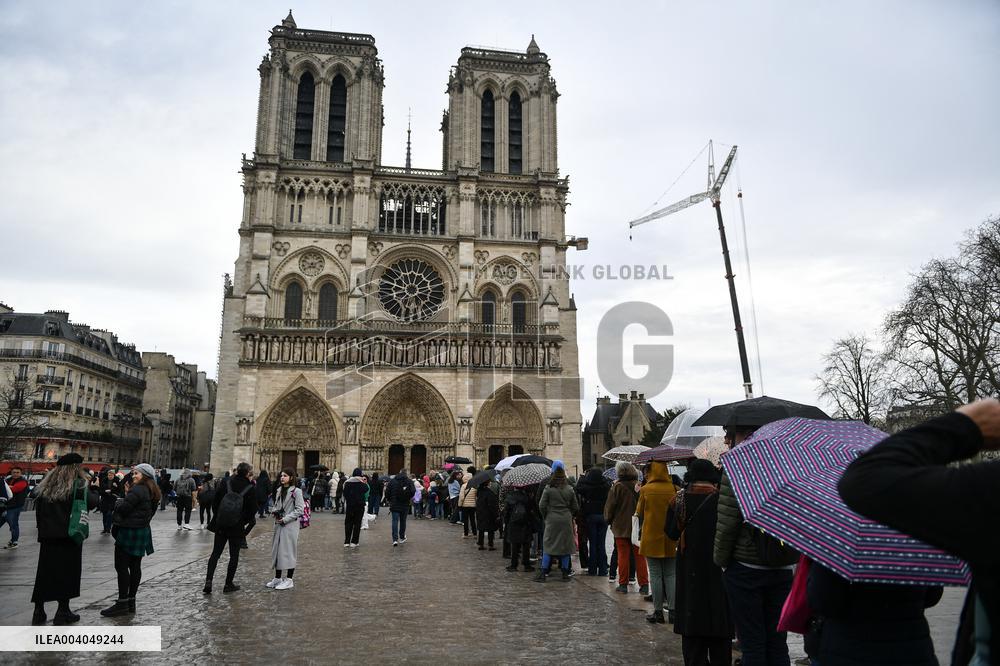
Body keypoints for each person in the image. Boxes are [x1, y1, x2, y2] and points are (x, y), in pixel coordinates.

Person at [838, 398, 1000, 665]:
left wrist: (968, 424)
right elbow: (932, 595)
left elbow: (867, 478)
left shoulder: (990, 492)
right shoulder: (921, 535)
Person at [714, 420, 798, 666]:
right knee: (777, 642)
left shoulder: (738, 465)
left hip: (746, 566)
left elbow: (727, 522)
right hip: (783, 566)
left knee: (752, 644)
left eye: (731, 434)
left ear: (747, 433)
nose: (728, 440)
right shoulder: (791, 464)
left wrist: (721, 562)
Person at [806, 559, 942, 665]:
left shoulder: (840, 540)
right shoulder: (918, 538)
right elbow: (932, 596)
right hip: (912, 651)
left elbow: (823, 600)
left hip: (850, 649)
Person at [666, 458, 733, 665]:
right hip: (718, 570)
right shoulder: (723, 500)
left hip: (691, 570)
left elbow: (670, 532)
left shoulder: (679, 500)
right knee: (720, 634)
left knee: (693, 636)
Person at [29, 454, 99, 625]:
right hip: (69, 534)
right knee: (68, 573)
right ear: (76, 467)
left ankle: (39, 611)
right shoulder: (79, 485)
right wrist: (95, 489)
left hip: (47, 535)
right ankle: (63, 611)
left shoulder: (46, 485)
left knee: (44, 573)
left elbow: (33, 495)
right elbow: (92, 502)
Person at [100, 463, 160, 618]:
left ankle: (122, 602)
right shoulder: (152, 490)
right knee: (135, 566)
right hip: (142, 529)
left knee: (121, 566)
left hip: (129, 530)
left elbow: (124, 508)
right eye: (133, 473)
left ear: (145, 476)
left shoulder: (138, 489)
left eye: (136, 474)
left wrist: (121, 501)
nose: (133, 476)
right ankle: (131, 601)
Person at [204, 462, 257, 594]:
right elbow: (252, 511)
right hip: (236, 526)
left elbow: (215, 502)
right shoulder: (250, 487)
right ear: (247, 473)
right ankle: (228, 584)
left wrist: (219, 516)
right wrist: (241, 521)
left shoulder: (225, 482)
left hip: (221, 524)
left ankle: (208, 581)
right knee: (234, 556)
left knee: (215, 553)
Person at [636, 459, 678, 624]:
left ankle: (658, 612)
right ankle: (673, 611)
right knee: (671, 574)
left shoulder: (646, 490)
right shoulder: (674, 489)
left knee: (655, 574)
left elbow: (638, 512)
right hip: (670, 537)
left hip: (651, 537)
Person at [604, 461, 648, 594]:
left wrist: (609, 520)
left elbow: (610, 507)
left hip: (621, 526)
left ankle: (623, 584)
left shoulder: (617, 487)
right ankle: (644, 585)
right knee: (640, 557)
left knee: (622, 555)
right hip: (638, 526)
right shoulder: (639, 486)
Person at [536, 460, 579, 582]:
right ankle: (565, 573)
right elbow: (575, 506)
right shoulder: (569, 488)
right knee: (565, 546)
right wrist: (569, 514)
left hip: (551, 519)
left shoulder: (548, 488)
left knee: (548, 545)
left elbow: (541, 505)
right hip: (565, 519)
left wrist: (546, 515)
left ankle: (544, 572)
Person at [265, 468, 305, 590]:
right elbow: (277, 505)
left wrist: (286, 519)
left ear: (291, 477)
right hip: (279, 524)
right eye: (281, 475)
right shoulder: (279, 490)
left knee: (288, 552)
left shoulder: (297, 491)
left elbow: (299, 510)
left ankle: (289, 579)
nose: (282, 477)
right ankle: (277, 578)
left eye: (285, 475)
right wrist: (274, 511)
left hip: (290, 525)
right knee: (277, 551)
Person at [575, 467, 611, 577]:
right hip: (603, 516)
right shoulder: (605, 486)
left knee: (593, 544)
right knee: (601, 544)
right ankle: (603, 570)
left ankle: (592, 569)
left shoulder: (587, 487)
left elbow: (578, 488)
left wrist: (583, 478)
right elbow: (608, 482)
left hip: (591, 516)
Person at [504, 485, 539, 572]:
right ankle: (526, 564)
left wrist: (506, 522)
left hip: (513, 523)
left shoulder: (510, 497)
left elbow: (506, 512)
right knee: (526, 544)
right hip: (525, 523)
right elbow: (532, 510)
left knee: (514, 545)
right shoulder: (527, 497)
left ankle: (513, 564)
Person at [1, 466, 29, 548]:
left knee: (13, 524)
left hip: (15, 506)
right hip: (5, 506)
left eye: (17, 472)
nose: (16, 474)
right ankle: (13, 540)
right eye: (14, 472)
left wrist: (6, 487)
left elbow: (15, 489)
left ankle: (14, 541)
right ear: (11, 473)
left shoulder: (23, 481)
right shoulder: (7, 480)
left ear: (21, 473)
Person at [386, 468, 415, 546]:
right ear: (406, 474)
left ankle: (395, 539)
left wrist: (390, 500)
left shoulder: (392, 481)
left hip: (394, 504)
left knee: (394, 521)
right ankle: (402, 537)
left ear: (399, 472)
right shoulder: (409, 481)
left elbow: (387, 492)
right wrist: (408, 497)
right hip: (405, 504)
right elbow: (413, 491)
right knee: (403, 521)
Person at [343, 468, 368, 547]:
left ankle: (347, 542)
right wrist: (364, 481)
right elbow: (366, 489)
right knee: (357, 524)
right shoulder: (362, 484)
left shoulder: (347, 483)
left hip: (350, 506)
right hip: (359, 506)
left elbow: (345, 494)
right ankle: (354, 541)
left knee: (348, 523)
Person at [475, 476, 500, 551]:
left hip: (480, 512)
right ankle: (490, 545)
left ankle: (481, 543)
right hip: (488, 513)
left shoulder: (479, 491)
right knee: (490, 529)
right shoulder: (489, 492)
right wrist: (496, 514)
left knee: (481, 529)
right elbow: (492, 505)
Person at [459, 472, 478, 538]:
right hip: (473, 506)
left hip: (465, 506)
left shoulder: (463, 486)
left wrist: (460, 505)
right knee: (473, 520)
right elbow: (476, 497)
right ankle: (475, 533)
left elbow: (461, 497)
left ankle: (466, 534)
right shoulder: (475, 486)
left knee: (465, 520)